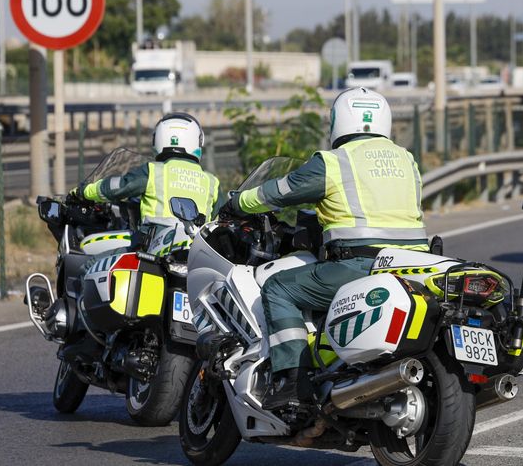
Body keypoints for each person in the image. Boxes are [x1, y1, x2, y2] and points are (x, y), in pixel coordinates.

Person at [229, 87, 428, 410]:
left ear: (338, 121)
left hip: (360, 264)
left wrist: (238, 201)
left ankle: (292, 379)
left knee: (279, 288)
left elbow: (280, 191)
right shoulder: (408, 160)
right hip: (413, 264)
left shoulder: (335, 163)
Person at [71, 112, 223, 254]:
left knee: (92, 264)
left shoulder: (153, 171)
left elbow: (118, 187)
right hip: (196, 253)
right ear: (197, 141)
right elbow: (220, 222)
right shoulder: (211, 182)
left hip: (153, 249)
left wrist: (84, 192)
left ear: (158, 139)